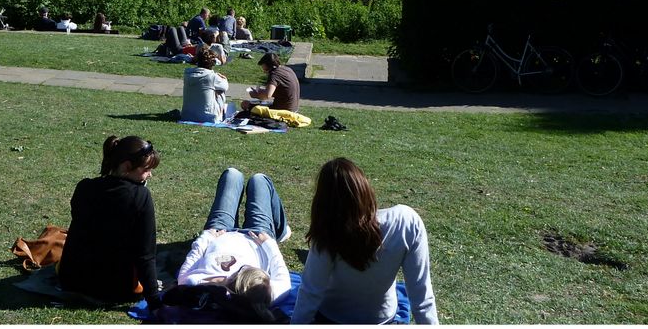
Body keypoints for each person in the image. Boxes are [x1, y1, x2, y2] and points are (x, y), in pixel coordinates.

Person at [290, 158, 438, 324]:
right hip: (382, 319)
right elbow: (422, 298)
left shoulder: (326, 230)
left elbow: (310, 293)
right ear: (365, 188)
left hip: (331, 318)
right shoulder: (406, 221)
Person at [58, 135, 162, 308]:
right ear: (127, 166)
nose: (150, 175)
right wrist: (155, 300)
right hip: (115, 289)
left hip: (71, 280)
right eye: (146, 169)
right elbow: (145, 254)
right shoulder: (140, 197)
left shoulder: (84, 187)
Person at [177, 167, 292, 320]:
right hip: (258, 235)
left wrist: (207, 238)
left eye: (240, 270)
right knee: (259, 179)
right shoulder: (269, 293)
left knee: (232, 174)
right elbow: (280, 269)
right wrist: (269, 243)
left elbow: (191, 262)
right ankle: (281, 230)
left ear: (230, 282)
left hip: (219, 232)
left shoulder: (195, 283)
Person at [181, 48, 229, 123]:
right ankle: (219, 115)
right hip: (208, 118)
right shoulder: (212, 76)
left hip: (186, 115)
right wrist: (224, 79)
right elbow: (225, 87)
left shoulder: (187, 73)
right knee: (220, 90)